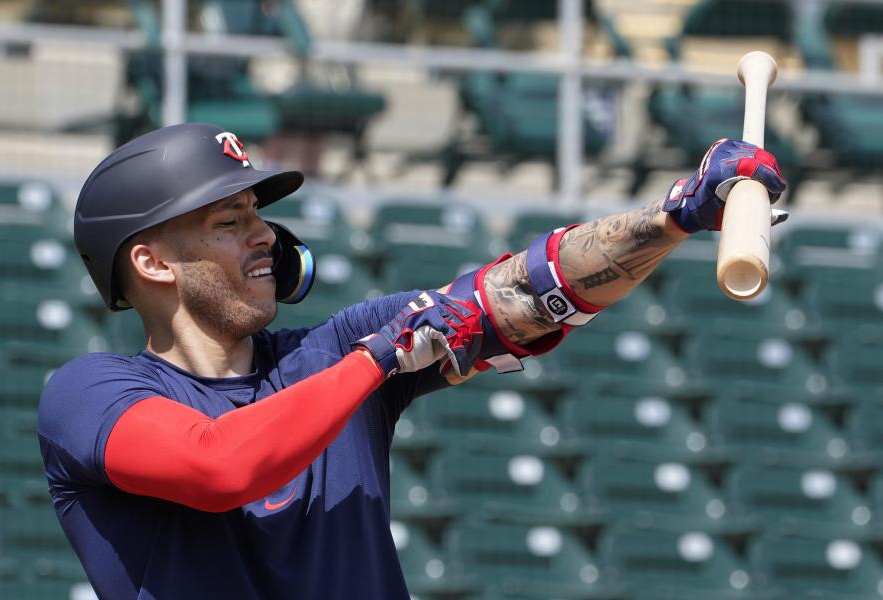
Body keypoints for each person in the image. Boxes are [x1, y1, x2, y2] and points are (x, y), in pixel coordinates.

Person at [38, 123, 787, 599]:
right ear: (152, 262)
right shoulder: (89, 393)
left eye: (262, 219)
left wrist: (676, 215)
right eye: (231, 223)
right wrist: (375, 361)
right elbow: (219, 469)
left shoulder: (332, 351)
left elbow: (530, 290)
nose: (265, 237)